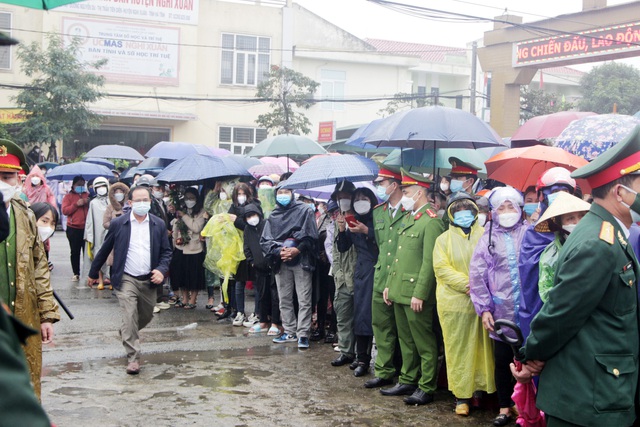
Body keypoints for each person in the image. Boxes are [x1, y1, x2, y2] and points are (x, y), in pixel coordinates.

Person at [520, 127, 640, 427]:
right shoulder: (598, 243)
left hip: (599, 386)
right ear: (620, 193)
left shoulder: (610, 234)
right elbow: (561, 313)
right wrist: (531, 355)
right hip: (589, 394)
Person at [88, 185, 172, 374]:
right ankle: (133, 358)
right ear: (130, 203)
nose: (142, 203)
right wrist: (93, 273)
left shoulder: (158, 224)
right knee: (129, 314)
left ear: (150, 202)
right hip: (126, 277)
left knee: (146, 315)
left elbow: (167, 252)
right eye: (138, 200)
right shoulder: (120, 224)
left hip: (149, 279)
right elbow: (104, 249)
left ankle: (126, 332)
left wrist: (161, 269)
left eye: (146, 200)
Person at [0, 140, 59, 400]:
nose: (2, 182)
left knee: (24, 385)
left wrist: (46, 314)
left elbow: (39, 267)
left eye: (6, 176)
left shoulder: (24, 215)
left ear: (18, 178)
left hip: (24, 315)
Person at [381, 168, 445, 406]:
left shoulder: (430, 221)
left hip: (415, 294)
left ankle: (426, 385)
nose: (403, 195)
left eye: (406, 191)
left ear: (419, 193)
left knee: (424, 342)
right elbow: (397, 257)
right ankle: (408, 378)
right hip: (399, 290)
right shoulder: (410, 218)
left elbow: (429, 263)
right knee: (405, 339)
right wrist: (389, 286)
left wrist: (420, 293)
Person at [433, 192, 495, 417]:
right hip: (455, 305)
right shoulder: (443, 240)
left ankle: (479, 392)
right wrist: (470, 284)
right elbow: (441, 269)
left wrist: (481, 287)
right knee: (458, 350)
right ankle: (461, 396)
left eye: (467, 210)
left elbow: (493, 262)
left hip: (483, 303)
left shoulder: (486, 235)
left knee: (482, 349)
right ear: (450, 214)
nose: (463, 215)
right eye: (457, 211)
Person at [469, 186, 527, 426]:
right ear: (493, 212)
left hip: (528, 311)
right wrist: (483, 309)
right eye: (501, 207)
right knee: (503, 361)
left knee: (529, 361)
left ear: (519, 209)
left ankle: (527, 409)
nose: (506, 212)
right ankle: (504, 407)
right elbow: (477, 276)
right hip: (500, 312)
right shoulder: (487, 238)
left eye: (510, 207)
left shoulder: (530, 233)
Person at [517, 167, 576, 341]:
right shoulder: (534, 233)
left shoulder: (577, 227)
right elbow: (530, 277)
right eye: (556, 191)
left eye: (566, 191)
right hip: (539, 308)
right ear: (542, 196)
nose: (561, 196)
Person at [260, 181, 318, 349]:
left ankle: (303, 334)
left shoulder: (304, 210)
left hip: (301, 259)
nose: (283, 195)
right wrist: (280, 251)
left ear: (292, 193)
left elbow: (310, 236)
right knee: (284, 297)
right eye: (280, 192)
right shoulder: (273, 214)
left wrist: (297, 250)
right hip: (281, 260)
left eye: (286, 191)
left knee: (304, 298)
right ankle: (289, 330)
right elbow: (266, 240)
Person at [365, 166, 404, 389]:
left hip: (401, 278)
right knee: (381, 326)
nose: (379, 187)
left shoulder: (409, 212)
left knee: (404, 331)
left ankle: (406, 374)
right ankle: (384, 370)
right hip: (381, 275)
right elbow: (381, 246)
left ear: (394, 184)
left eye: (382, 183)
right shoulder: (378, 211)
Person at [336, 187, 379, 377]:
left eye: (364, 198)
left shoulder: (378, 218)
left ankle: (387, 361)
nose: (360, 202)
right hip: (361, 271)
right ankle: (362, 359)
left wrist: (367, 231)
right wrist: (342, 230)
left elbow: (385, 242)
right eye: (357, 199)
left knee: (378, 317)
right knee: (361, 315)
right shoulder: (353, 219)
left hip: (378, 268)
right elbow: (344, 247)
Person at [533, 192, 590, 303]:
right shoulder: (551, 254)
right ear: (560, 225)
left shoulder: (600, 243)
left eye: (582, 216)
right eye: (570, 218)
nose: (577, 222)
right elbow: (546, 292)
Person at [329, 180, 358, 367]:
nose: (343, 200)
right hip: (341, 279)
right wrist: (338, 273)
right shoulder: (337, 220)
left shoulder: (361, 218)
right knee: (343, 316)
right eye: (339, 198)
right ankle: (346, 351)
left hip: (358, 276)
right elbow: (336, 251)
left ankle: (363, 355)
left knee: (361, 319)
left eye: (346, 196)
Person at [228, 182, 262, 325]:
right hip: (237, 250)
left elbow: (251, 225)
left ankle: (257, 312)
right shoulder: (233, 207)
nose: (241, 197)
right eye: (238, 194)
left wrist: (237, 221)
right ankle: (240, 311)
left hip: (253, 247)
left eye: (243, 194)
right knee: (239, 282)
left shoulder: (255, 206)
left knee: (256, 281)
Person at [242, 204, 279, 334]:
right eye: (248, 216)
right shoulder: (247, 229)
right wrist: (252, 262)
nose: (252, 218)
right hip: (259, 268)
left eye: (253, 215)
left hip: (273, 267)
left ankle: (276, 323)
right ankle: (263, 321)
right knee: (262, 296)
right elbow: (246, 247)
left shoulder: (267, 224)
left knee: (275, 296)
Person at [171, 187, 206, 309]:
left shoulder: (201, 212)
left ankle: (193, 299)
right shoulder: (181, 209)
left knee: (194, 276)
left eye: (191, 198)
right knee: (181, 274)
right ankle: (184, 298)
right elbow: (176, 227)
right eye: (186, 198)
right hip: (181, 247)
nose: (189, 200)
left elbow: (196, 227)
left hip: (194, 248)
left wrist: (185, 216)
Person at [85, 177, 110, 290]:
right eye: (98, 187)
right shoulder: (93, 203)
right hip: (97, 233)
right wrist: (89, 235)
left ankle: (110, 279)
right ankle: (100, 280)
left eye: (103, 186)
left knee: (111, 255)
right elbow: (90, 220)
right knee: (98, 255)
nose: (101, 189)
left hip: (110, 231)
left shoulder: (111, 201)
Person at [61, 175, 88, 281]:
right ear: (73, 185)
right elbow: (65, 211)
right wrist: (76, 204)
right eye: (78, 185)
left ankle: (88, 273)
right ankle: (76, 273)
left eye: (82, 184)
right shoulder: (68, 197)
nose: (81, 186)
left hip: (86, 227)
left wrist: (87, 202)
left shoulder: (87, 195)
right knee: (75, 251)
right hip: (73, 228)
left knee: (87, 252)